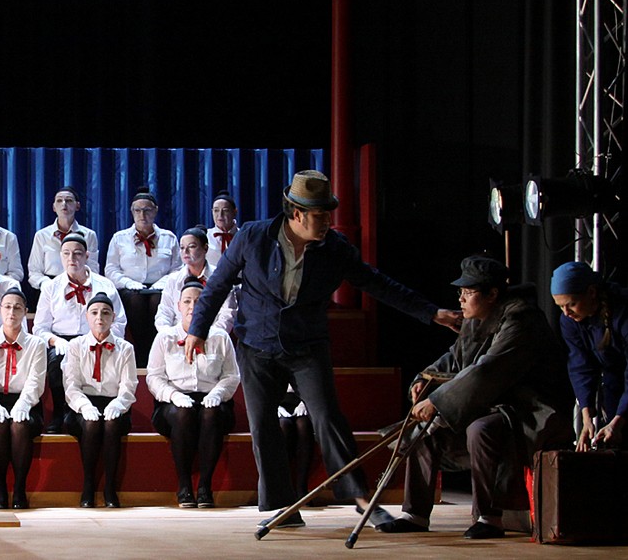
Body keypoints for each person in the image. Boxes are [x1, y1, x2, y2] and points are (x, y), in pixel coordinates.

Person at [185, 170, 461, 528]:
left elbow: (378, 284)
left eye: (329, 214)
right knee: (263, 425)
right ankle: (282, 507)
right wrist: (198, 330)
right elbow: (217, 285)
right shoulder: (253, 236)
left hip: (307, 346)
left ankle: (362, 501)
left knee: (328, 418)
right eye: (320, 215)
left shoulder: (334, 249)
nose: (328, 222)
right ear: (297, 214)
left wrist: (431, 313)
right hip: (256, 344)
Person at [377, 256, 574, 539]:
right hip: (490, 403)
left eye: (468, 292)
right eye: (461, 292)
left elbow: (487, 370)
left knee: (480, 428)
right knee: (425, 431)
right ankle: (415, 513)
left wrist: (437, 402)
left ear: (492, 294)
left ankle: (489, 517)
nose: (461, 299)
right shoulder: (475, 319)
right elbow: (455, 359)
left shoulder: (521, 320)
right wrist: (424, 379)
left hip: (529, 409)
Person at [146, 277, 239, 508]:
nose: (192, 306)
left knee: (211, 415)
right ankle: (184, 485)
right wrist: (174, 395)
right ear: (178, 306)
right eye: (187, 301)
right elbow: (154, 377)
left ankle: (205, 486)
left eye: (198, 301)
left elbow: (232, 375)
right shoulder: (165, 337)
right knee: (183, 415)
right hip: (173, 403)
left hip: (213, 401)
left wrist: (217, 394)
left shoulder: (220, 337)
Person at [32, 232, 126, 434]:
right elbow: (39, 328)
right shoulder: (51, 287)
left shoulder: (105, 285)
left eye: (77, 253)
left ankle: (95, 407)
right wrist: (55, 341)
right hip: (62, 340)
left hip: (96, 337)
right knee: (56, 361)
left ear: (87, 256)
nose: (71, 258)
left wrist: (100, 339)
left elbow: (119, 321)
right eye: (66, 253)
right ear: (60, 256)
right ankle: (60, 412)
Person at [0, 287, 46, 509]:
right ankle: (1, 489)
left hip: (27, 404)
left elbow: (35, 382)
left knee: (19, 426)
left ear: (25, 312)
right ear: (0, 310)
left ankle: (20, 489)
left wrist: (23, 405)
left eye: (17, 308)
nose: (12, 312)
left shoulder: (37, 344)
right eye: (8, 307)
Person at [63, 292, 136, 508]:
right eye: (94, 313)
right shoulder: (75, 346)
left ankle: (110, 488)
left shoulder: (126, 348)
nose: (99, 318)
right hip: (82, 406)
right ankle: (88, 485)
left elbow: (129, 385)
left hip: (115, 404)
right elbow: (71, 385)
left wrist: (118, 404)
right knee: (91, 424)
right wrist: (85, 406)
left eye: (105, 313)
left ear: (113, 317)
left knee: (112, 425)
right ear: (86, 316)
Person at [551, 261, 627, 451]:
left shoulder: (623, 310)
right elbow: (580, 365)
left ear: (592, 292)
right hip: (613, 381)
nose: (566, 312)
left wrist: (619, 419)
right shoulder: (569, 320)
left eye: (572, 304)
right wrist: (586, 416)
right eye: (560, 307)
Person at [105, 187, 181, 367]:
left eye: (147, 210)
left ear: (155, 211)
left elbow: (177, 268)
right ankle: (141, 353)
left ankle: (157, 352)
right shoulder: (119, 238)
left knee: (157, 300)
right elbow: (111, 269)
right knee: (135, 301)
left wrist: (161, 283)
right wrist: (129, 283)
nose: (142, 215)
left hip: (160, 288)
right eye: (137, 210)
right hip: (130, 289)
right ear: (132, 212)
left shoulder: (169, 238)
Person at [154, 225, 235, 334]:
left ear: (205, 248)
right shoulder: (173, 279)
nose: (185, 251)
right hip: (178, 336)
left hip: (211, 334)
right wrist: (171, 335)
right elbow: (164, 313)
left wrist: (210, 336)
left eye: (191, 246)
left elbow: (227, 314)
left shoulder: (220, 277)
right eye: (182, 248)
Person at [27, 185, 100, 291]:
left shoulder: (89, 235)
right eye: (59, 200)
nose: (64, 204)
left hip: (80, 286)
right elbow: (34, 271)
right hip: (49, 285)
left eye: (69, 200)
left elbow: (93, 269)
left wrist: (82, 284)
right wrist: (48, 285)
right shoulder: (42, 235)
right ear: (54, 207)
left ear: (77, 206)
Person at [207, 189, 239, 267]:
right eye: (216, 210)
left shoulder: (243, 236)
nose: (220, 215)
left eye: (225, 210)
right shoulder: (205, 236)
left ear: (234, 212)